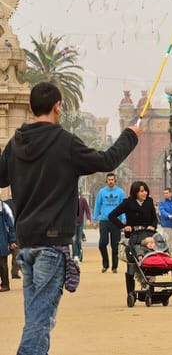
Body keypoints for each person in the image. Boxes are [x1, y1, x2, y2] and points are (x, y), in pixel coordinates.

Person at [0, 81, 140, 355]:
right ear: (58, 107)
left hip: (26, 243)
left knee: (38, 318)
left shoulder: (16, 142)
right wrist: (131, 136)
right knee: (40, 321)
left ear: (30, 108)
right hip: (51, 244)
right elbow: (106, 160)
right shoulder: (64, 142)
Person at [108, 181, 159, 296]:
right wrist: (124, 227)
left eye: (145, 190)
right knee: (132, 262)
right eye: (141, 191)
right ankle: (130, 293)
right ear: (135, 192)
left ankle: (150, 291)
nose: (144, 193)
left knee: (150, 261)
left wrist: (153, 226)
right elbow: (112, 216)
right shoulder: (128, 203)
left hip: (148, 235)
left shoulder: (149, 202)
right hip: (133, 236)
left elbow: (154, 219)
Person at [92, 173, 126, 273]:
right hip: (104, 220)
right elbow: (97, 206)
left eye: (112, 180)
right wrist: (95, 220)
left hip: (116, 221)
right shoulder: (102, 192)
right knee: (102, 243)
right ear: (106, 181)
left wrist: (124, 219)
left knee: (115, 245)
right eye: (109, 180)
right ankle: (105, 264)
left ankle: (114, 267)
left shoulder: (120, 192)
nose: (110, 181)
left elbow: (124, 207)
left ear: (115, 181)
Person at [0, 199, 17, 292]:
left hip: (2, 241)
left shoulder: (4, 207)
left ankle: (5, 285)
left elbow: (11, 225)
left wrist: (12, 240)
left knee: (2, 264)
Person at [73, 195, 91, 262]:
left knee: (78, 240)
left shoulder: (82, 200)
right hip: (72, 223)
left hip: (80, 223)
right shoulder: (70, 200)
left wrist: (88, 219)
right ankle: (75, 255)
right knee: (74, 239)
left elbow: (87, 210)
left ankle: (80, 255)